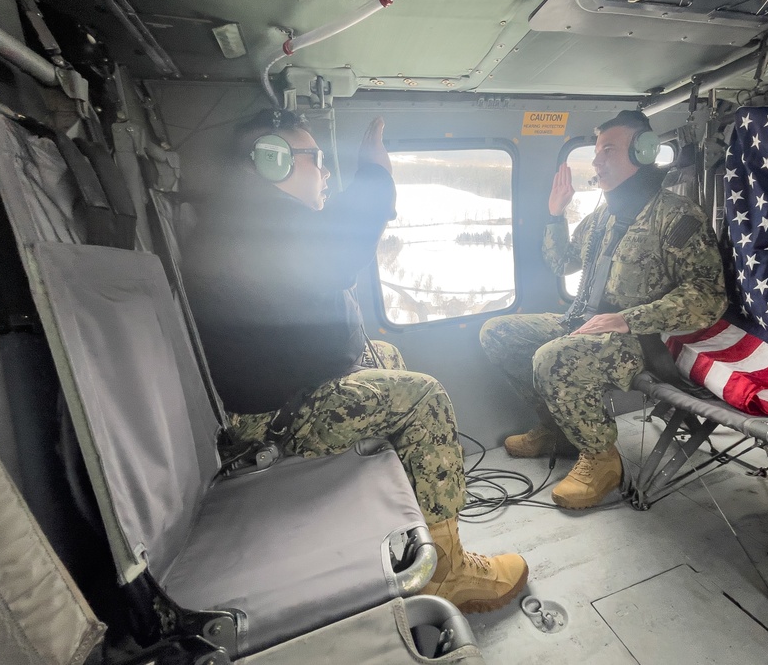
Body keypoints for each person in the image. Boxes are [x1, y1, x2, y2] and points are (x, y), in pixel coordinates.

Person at [182, 109, 528, 613]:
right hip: (274, 425)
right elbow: (335, 250)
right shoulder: (252, 226)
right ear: (272, 163)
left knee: (382, 353)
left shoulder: (245, 219)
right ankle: (449, 573)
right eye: (314, 159)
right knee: (424, 396)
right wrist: (375, 173)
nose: (323, 172)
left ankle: (414, 527)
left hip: (285, 396)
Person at [479, 110, 727, 509]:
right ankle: (555, 428)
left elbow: (708, 298)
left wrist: (628, 318)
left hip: (642, 340)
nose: (596, 161)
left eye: (607, 150)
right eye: (595, 151)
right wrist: (555, 213)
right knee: (498, 332)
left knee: (551, 358)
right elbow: (562, 263)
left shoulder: (678, 217)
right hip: (584, 321)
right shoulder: (601, 218)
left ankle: (601, 459)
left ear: (643, 153)